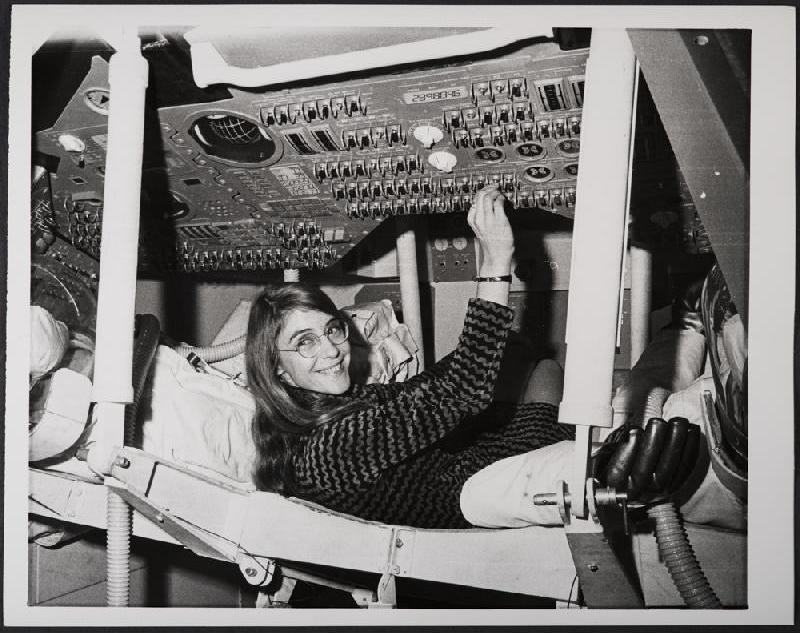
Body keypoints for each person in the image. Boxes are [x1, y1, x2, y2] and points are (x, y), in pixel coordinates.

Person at [244, 184, 575, 528]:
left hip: (467, 460)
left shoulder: (325, 412)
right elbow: (460, 392)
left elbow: (421, 389)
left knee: (532, 360)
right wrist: (496, 260)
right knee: (549, 374)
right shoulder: (330, 450)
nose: (330, 350)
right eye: (305, 342)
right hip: (481, 478)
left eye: (331, 330)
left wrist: (490, 345)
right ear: (278, 370)